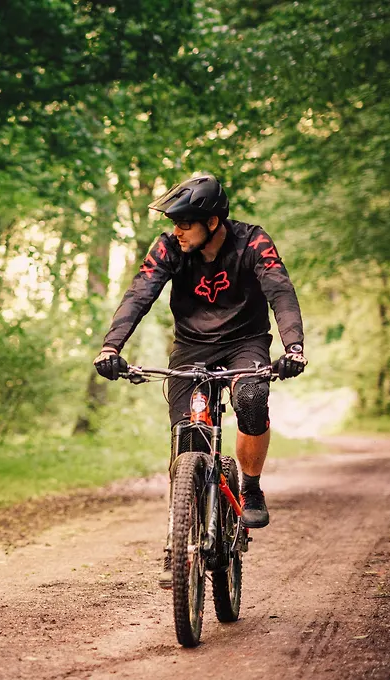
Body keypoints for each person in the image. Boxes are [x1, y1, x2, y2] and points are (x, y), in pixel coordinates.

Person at [92, 175, 307, 586]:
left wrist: (293, 346)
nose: (176, 230)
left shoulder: (252, 242)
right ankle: (181, 546)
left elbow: (280, 290)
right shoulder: (170, 247)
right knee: (187, 439)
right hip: (192, 347)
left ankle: (251, 488)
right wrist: (111, 348)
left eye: (184, 222)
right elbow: (141, 293)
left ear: (211, 222)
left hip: (246, 343)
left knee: (250, 398)